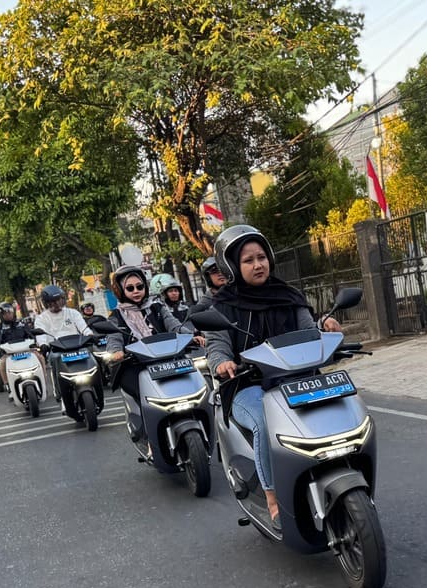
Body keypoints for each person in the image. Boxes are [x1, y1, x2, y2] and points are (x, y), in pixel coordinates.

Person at [203, 225, 341, 529]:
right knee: (265, 421)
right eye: (248, 260)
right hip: (248, 386)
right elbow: (216, 345)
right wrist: (222, 362)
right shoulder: (223, 306)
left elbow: (309, 332)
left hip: (296, 379)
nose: (258, 265)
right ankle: (273, 498)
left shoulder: (288, 295)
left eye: (262, 257)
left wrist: (325, 328)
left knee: (339, 403)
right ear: (232, 266)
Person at [104, 266, 197, 425]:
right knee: (140, 394)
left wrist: (191, 336)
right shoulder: (116, 316)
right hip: (136, 366)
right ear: (120, 291)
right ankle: (146, 427)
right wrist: (116, 351)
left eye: (139, 286)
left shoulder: (157, 307)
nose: (136, 291)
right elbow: (114, 337)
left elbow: (174, 325)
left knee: (194, 385)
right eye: (130, 288)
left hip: (169, 361)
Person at [33, 285, 93, 401]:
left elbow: (83, 327)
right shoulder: (41, 318)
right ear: (46, 303)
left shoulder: (73, 313)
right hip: (57, 350)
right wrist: (43, 344)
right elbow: (40, 335)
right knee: (54, 358)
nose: (57, 304)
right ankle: (58, 390)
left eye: (59, 300)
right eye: (53, 302)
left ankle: (95, 384)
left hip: (77, 347)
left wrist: (90, 335)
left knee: (91, 355)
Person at [0, 302, 33, 399]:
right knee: (2, 363)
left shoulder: (21, 324)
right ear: (1, 315)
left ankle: (43, 380)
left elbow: (31, 335)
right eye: (5, 313)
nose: (8, 315)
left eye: (10, 312)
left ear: (13, 312)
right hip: (9, 354)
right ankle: (9, 387)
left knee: (40, 357)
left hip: (27, 351)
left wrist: (36, 342)